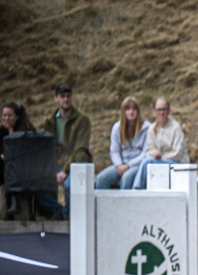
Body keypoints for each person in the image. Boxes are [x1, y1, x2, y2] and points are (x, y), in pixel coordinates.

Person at [2, 102, 62, 219]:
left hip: (27, 170)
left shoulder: (28, 132)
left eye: (9, 115)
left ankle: (61, 212)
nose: (6, 119)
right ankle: (13, 202)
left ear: (17, 116)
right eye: (4, 115)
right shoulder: (2, 132)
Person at [41, 83, 92, 217]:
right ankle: (62, 214)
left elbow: (81, 149)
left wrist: (65, 170)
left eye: (68, 96)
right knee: (36, 185)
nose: (66, 99)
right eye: (62, 96)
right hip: (54, 164)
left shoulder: (82, 120)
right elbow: (46, 148)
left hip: (75, 164)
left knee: (69, 185)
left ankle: (68, 218)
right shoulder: (50, 122)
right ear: (56, 98)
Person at [133, 98, 190, 189]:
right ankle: (141, 191)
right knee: (143, 167)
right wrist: (155, 154)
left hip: (177, 164)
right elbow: (150, 149)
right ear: (154, 112)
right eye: (159, 110)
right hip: (159, 163)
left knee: (147, 162)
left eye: (164, 109)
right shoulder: (152, 128)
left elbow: (178, 153)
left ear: (169, 111)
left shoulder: (175, 127)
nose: (162, 113)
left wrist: (161, 157)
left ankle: (136, 189)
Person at [95, 96, 150, 190]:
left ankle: (124, 200)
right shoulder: (117, 128)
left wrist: (128, 165)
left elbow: (146, 153)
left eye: (134, 109)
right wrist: (119, 165)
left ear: (138, 111)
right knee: (102, 178)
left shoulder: (147, 128)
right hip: (121, 164)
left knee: (126, 178)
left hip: (138, 165)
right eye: (128, 109)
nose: (131, 112)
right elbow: (114, 151)